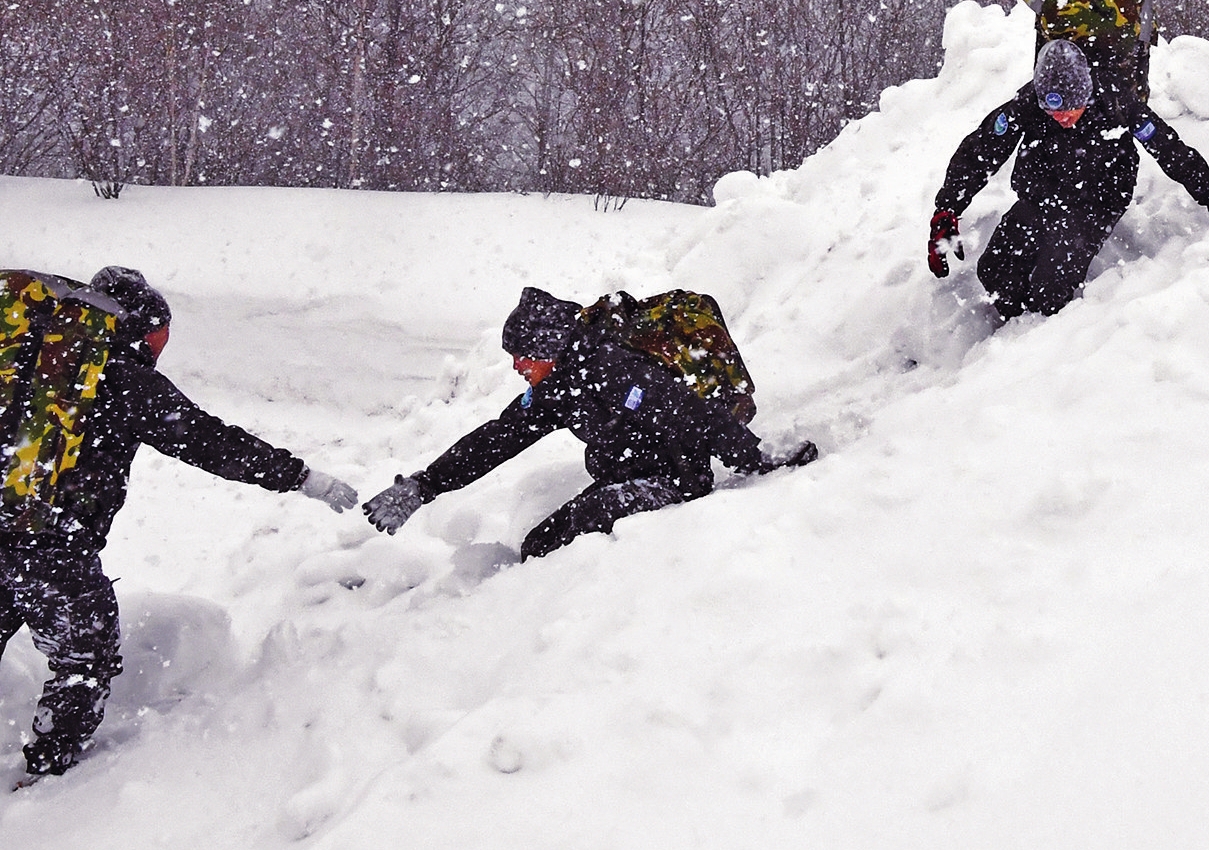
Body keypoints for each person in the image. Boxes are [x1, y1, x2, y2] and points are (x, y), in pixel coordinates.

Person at [2, 267, 356, 783]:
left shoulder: (23, 361)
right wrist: (299, 476)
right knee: (85, 660)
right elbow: (207, 440)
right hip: (52, 549)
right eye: (157, 337)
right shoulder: (118, 376)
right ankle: (45, 777)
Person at [362, 288, 807, 560]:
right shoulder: (559, 386)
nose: (516, 365)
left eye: (523, 356)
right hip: (625, 476)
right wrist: (426, 485)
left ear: (549, 348)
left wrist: (759, 459)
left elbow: (693, 415)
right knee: (538, 548)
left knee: (588, 519)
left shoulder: (613, 368)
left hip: (674, 480)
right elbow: (499, 437)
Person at [929, 38, 1209, 320]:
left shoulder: (1117, 101)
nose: (1061, 117)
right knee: (994, 270)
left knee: (1049, 289)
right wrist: (947, 210)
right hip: (1041, 198)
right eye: (1052, 110)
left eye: (1070, 109)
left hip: (1094, 205)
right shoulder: (1029, 102)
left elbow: (1170, 150)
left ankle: (1050, 340)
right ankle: (1014, 332)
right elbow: (981, 150)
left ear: (1084, 92)